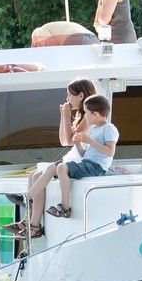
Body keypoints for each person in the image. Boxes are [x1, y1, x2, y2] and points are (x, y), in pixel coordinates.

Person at [8, 94, 118, 236]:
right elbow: (86, 155)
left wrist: (90, 141)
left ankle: (64, 205)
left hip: (97, 168)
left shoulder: (109, 128)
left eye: (86, 113)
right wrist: (78, 144)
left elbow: (110, 152)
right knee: (52, 167)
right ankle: (28, 196)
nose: (85, 116)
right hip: (87, 163)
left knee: (61, 167)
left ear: (95, 114)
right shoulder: (94, 130)